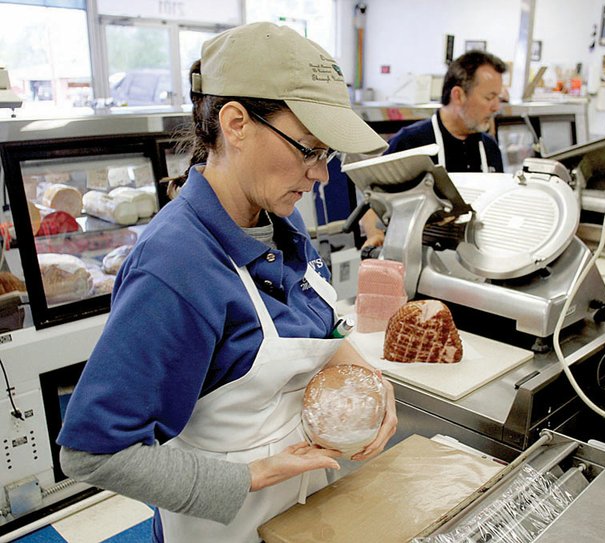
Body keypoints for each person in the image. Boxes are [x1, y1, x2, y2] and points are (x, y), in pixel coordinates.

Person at [57, 22, 396, 543]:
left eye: (328, 154)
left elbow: (312, 323)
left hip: (303, 515)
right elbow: (90, 451)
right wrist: (250, 476)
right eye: (308, 149)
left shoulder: (277, 217)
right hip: (226, 528)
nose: (322, 175)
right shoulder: (176, 268)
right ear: (235, 123)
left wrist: (367, 374)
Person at [360, 50, 507, 248]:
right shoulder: (411, 143)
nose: (496, 107)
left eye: (498, 98)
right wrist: (377, 236)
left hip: (479, 259)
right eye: (490, 97)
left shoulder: (489, 148)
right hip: (424, 264)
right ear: (458, 95)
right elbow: (372, 210)